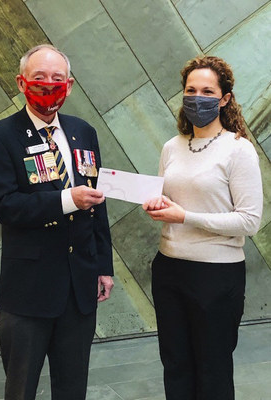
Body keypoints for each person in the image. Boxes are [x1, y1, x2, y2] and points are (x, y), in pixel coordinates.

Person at [0, 44, 114, 400]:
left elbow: (97, 205)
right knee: (21, 388)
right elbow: (5, 206)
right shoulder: (0, 137)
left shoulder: (83, 132)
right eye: (39, 78)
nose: (48, 85)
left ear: (69, 85)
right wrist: (67, 199)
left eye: (57, 79)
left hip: (79, 285)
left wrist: (104, 266)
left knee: (73, 388)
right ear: (21, 82)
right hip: (29, 291)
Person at [142, 56, 263, 400]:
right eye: (191, 90)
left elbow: (250, 220)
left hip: (216, 276)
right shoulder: (171, 147)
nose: (198, 97)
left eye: (207, 91)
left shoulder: (239, 150)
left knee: (212, 369)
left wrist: (186, 217)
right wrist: (155, 203)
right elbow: (168, 199)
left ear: (225, 98)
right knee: (176, 365)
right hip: (168, 269)